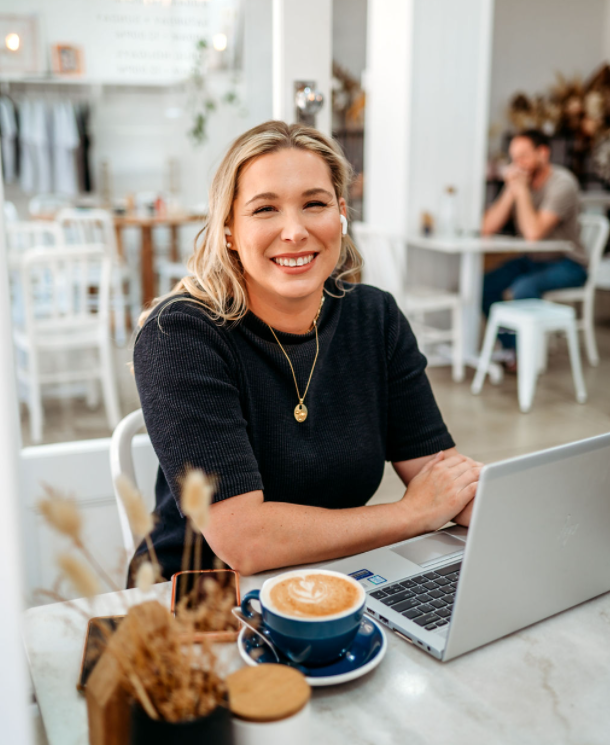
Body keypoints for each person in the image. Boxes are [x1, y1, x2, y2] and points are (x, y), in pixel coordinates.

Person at [132, 121, 481, 581]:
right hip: (203, 597)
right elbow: (245, 541)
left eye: (314, 204)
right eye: (265, 209)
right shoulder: (180, 335)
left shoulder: (374, 317)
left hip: (335, 581)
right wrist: (412, 514)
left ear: (340, 213)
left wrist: (521, 512)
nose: (294, 231)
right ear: (229, 229)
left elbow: (441, 478)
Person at [482, 130, 587, 353]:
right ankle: (514, 349)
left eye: (523, 156)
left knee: (523, 288)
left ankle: (529, 355)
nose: (517, 164)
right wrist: (511, 192)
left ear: (543, 153)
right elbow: (487, 228)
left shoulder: (563, 183)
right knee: (485, 286)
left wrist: (520, 192)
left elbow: (533, 234)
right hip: (533, 260)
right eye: (513, 158)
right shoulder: (522, 183)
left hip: (569, 263)